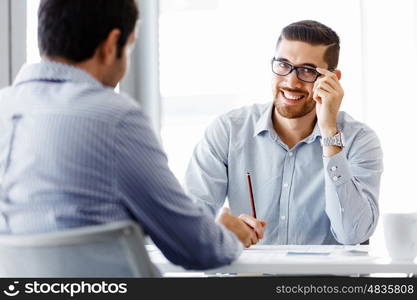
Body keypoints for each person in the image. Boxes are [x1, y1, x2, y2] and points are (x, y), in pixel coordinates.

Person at [0, 0, 261, 271]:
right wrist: (230, 234)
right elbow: (197, 248)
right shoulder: (112, 117)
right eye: (130, 46)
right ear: (111, 45)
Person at [185, 20, 383, 245]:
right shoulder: (228, 130)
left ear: (332, 79)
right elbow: (189, 221)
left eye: (307, 71)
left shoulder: (360, 140)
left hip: (326, 280)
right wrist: (218, 227)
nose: (291, 81)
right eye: (283, 65)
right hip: (249, 277)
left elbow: (353, 234)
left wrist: (330, 133)